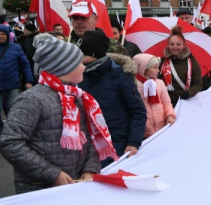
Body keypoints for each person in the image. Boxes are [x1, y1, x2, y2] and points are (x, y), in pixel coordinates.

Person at [0, 34, 104, 193]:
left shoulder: (76, 96)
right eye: (78, 63)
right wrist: (52, 174)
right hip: (40, 188)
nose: (84, 67)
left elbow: (89, 136)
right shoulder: (31, 99)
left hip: (75, 184)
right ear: (63, 67)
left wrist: (89, 169)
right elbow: (10, 143)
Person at [79, 30, 146, 165]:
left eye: (82, 52)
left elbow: (138, 111)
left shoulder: (120, 76)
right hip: (87, 145)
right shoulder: (79, 76)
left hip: (117, 145)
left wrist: (133, 142)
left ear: (94, 54)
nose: (77, 57)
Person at [133, 53, 176, 139]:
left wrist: (170, 115)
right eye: (155, 67)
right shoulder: (134, 85)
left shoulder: (159, 83)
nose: (158, 70)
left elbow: (166, 103)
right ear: (144, 69)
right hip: (144, 132)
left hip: (162, 128)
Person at [0, 25, 34, 134]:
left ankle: (13, 134)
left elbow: (25, 65)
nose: (1, 36)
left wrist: (29, 81)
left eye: (3, 34)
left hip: (13, 85)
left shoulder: (16, 47)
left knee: (13, 111)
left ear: (7, 35)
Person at [160, 25, 203, 107]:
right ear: (168, 45)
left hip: (184, 104)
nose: (175, 47)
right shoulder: (162, 62)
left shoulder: (192, 62)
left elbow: (198, 84)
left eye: (178, 44)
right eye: (172, 44)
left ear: (184, 45)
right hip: (165, 105)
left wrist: (188, 93)